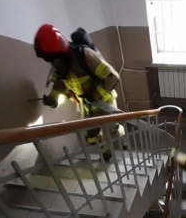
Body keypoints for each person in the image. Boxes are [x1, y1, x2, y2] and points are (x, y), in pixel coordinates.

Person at [34, 24, 121, 159]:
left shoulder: (86, 55)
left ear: (58, 50)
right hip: (86, 105)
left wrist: (95, 94)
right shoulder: (59, 63)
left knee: (111, 131)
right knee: (91, 135)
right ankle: (105, 154)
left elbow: (113, 77)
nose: (53, 62)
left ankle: (116, 154)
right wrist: (53, 97)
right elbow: (60, 83)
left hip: (105, 102)